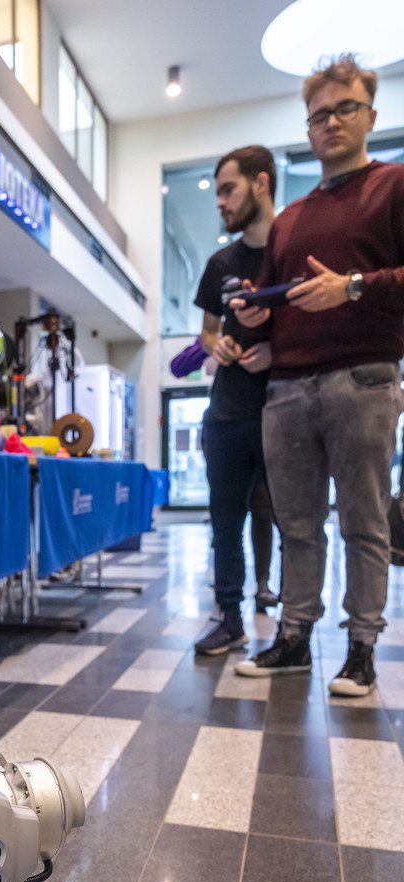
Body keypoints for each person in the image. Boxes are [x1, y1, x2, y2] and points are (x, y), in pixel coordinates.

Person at [233, 54, 404, 697]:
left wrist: (353, 286)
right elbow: (276, 305)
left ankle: (361, 649)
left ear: (370, 116)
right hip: (286, 390)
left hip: (363, 379)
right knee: (297, 525)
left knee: (364, 521)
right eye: (319, 115)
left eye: (344, 108)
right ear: (307, 128)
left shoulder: (394, 186)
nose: (331, 122)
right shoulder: (289, 219)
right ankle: (295, 638)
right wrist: (255, 313)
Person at [190, 145, 278, 655]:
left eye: (229, 189)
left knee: (294, 522)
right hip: (226, 413)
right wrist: (215, 345)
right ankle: (229, 620)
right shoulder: (220, 263)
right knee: (226, 525)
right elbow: (206, 332)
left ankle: (295, 629)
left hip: (283, 407)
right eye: (218, 191)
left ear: (261, 183)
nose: (220, 201)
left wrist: (277, 351)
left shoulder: (291, 252)